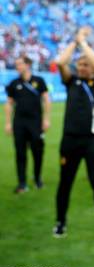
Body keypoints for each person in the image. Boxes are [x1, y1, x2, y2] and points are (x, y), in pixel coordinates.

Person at [53, 26, 94, 242]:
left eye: (84, 64)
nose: (82, 67)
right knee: (65, 183)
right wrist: (75, 42)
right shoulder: (71, 81)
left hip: (92, 141)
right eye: (79, 64)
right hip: (69, 140)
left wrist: (84, 44)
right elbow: (61, 63)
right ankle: (60, 223)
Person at [4, 55, 51, 192]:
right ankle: (22, 183)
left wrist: (46, 119)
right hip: (19, 123)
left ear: (27, 65)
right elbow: (9, 103)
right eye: (16, 64)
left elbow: (47, 100)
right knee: (20, 153)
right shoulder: (13, 83)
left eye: (20, 64)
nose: (17, 67)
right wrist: (8, 123)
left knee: (38, 152)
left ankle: (37, 179)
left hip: (36, 123)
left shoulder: (39, 81)